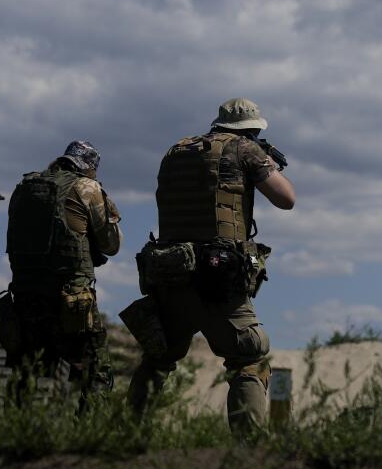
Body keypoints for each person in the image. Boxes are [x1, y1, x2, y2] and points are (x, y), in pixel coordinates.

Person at [126, 98, 295, 438]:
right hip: (217, 276)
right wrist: (267, 164)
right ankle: (249, 450)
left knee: (159, 359)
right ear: (250, 130)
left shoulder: (176, 151)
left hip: (169, 272)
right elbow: (286, 199)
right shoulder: (245, 150)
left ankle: (126, 438)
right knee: (249, 356)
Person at [4, 140, 122, 402]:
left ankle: (15, 431)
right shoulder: (86, 187)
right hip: (72, 300)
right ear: (89, 167)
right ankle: (89, 436)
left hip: (26, 296)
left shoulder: (24, 188)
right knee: (97, 371)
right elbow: (111, 245)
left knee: (28, 370)